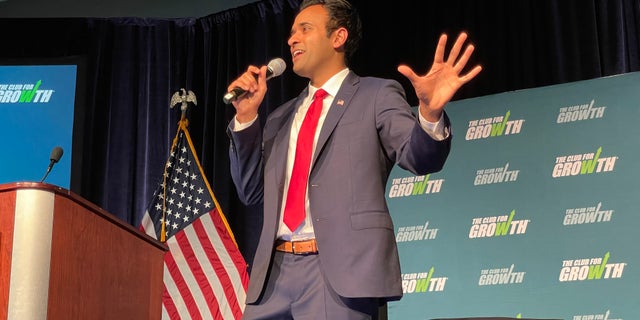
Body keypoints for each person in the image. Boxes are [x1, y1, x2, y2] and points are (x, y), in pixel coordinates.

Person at [226, 0, 482, 318]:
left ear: (338, 37)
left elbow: (419, 157)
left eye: (304, 30)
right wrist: (247, 118)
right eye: (291, 32)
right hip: (273, 279)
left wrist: (429, 114)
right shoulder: (280, 117)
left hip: (339, 275)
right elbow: (250, 190)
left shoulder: (376, 95)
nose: (292, 39)